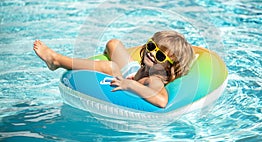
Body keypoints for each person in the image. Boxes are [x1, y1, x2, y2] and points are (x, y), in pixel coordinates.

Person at [33, 30, 195, 108]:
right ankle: (100, 61)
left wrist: (129, 85)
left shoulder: (155, 79)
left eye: (160, 56)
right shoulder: (148, 66)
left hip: (126, 83)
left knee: (109, 67)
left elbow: (162, 101)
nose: (152, 54)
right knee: (113, 44)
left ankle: (56, 60)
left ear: (169, 67)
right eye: (151, 46)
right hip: (133, 73)